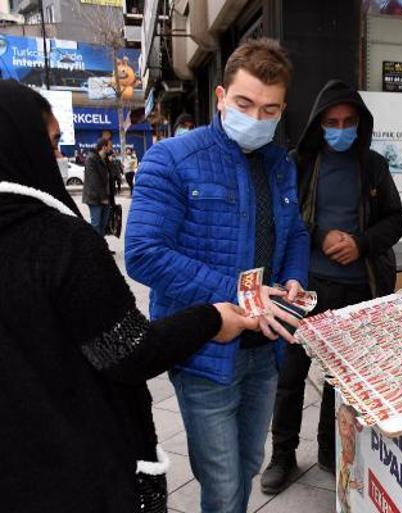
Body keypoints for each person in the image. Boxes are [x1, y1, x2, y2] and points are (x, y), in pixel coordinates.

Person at [0, 79, 271, 513]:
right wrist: (212, 317)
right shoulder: (60, 242)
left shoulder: (275, 165)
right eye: (50, 142)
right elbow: (128, 349)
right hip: (75, 467)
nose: (55, 156)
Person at [126, 38, 309, 513]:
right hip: (206, 348)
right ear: (221, 97)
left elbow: (294, 235)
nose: (256, 117)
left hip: (263, 350)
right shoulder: (171, 159)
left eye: (270, 110)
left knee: (248, 462)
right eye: (245, 103)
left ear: (282, 109)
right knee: (224, 481)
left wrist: (291, 281)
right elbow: (143, 253)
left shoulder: (280, 165)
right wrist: (243, 293)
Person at [261, 79, 402, 494]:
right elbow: (283, 218)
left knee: (338, 381)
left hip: (359, 289)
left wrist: (360, 242)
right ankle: (283, 455)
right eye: (332, 122)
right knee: (291, 374)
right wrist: (322, 235)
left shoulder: (374, 165)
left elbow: (396, 220)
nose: (340, 129)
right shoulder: (300, 162)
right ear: (318, 124)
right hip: (303, 288)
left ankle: (329, 449)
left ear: (360, 124)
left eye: (348, 122)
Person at [83, 137, 114, 237]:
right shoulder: (91, 159)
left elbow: (110, 176)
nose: (111, 148)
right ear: (104, 147)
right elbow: (94, 180)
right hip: (95, 198)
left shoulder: (105, 159)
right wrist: (103, 197)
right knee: (96, 225)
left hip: (106, 196)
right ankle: (96, 250)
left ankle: (102, 248)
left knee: (104, 225)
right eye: (110, 146)